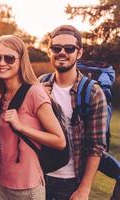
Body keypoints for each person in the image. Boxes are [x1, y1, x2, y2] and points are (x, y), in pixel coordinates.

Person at [0, 35, 66, 200]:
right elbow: (2, 139)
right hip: (0, 183)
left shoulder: (35, 93)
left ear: (21, 61)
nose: (2, 63)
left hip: (28, 189)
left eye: (9, 58)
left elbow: (59, 141)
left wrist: (21, 127)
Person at [40, 25, 108, 200]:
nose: (62, 52)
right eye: (56, 48)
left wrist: (84, 189)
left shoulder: (93, 92)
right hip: (39, 176)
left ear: (79, 52)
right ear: (50, 51)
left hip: (70, 182)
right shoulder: (40, 85)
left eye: (69, 48)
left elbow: (96, 146)